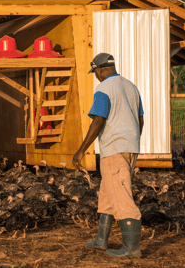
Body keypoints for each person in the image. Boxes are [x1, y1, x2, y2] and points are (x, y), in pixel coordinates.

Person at [72, 53, 144, 258]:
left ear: (100, 69)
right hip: (130, 147)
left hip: (113, 150)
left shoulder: (104, 89)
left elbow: (98, 120)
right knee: (107, 194)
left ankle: (132, 248)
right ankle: (101, 240)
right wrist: (133, 140)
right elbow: (140, 119)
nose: (96, 76)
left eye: (95, 72)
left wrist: (81, 149)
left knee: (122, 197)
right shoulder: (131, 87)